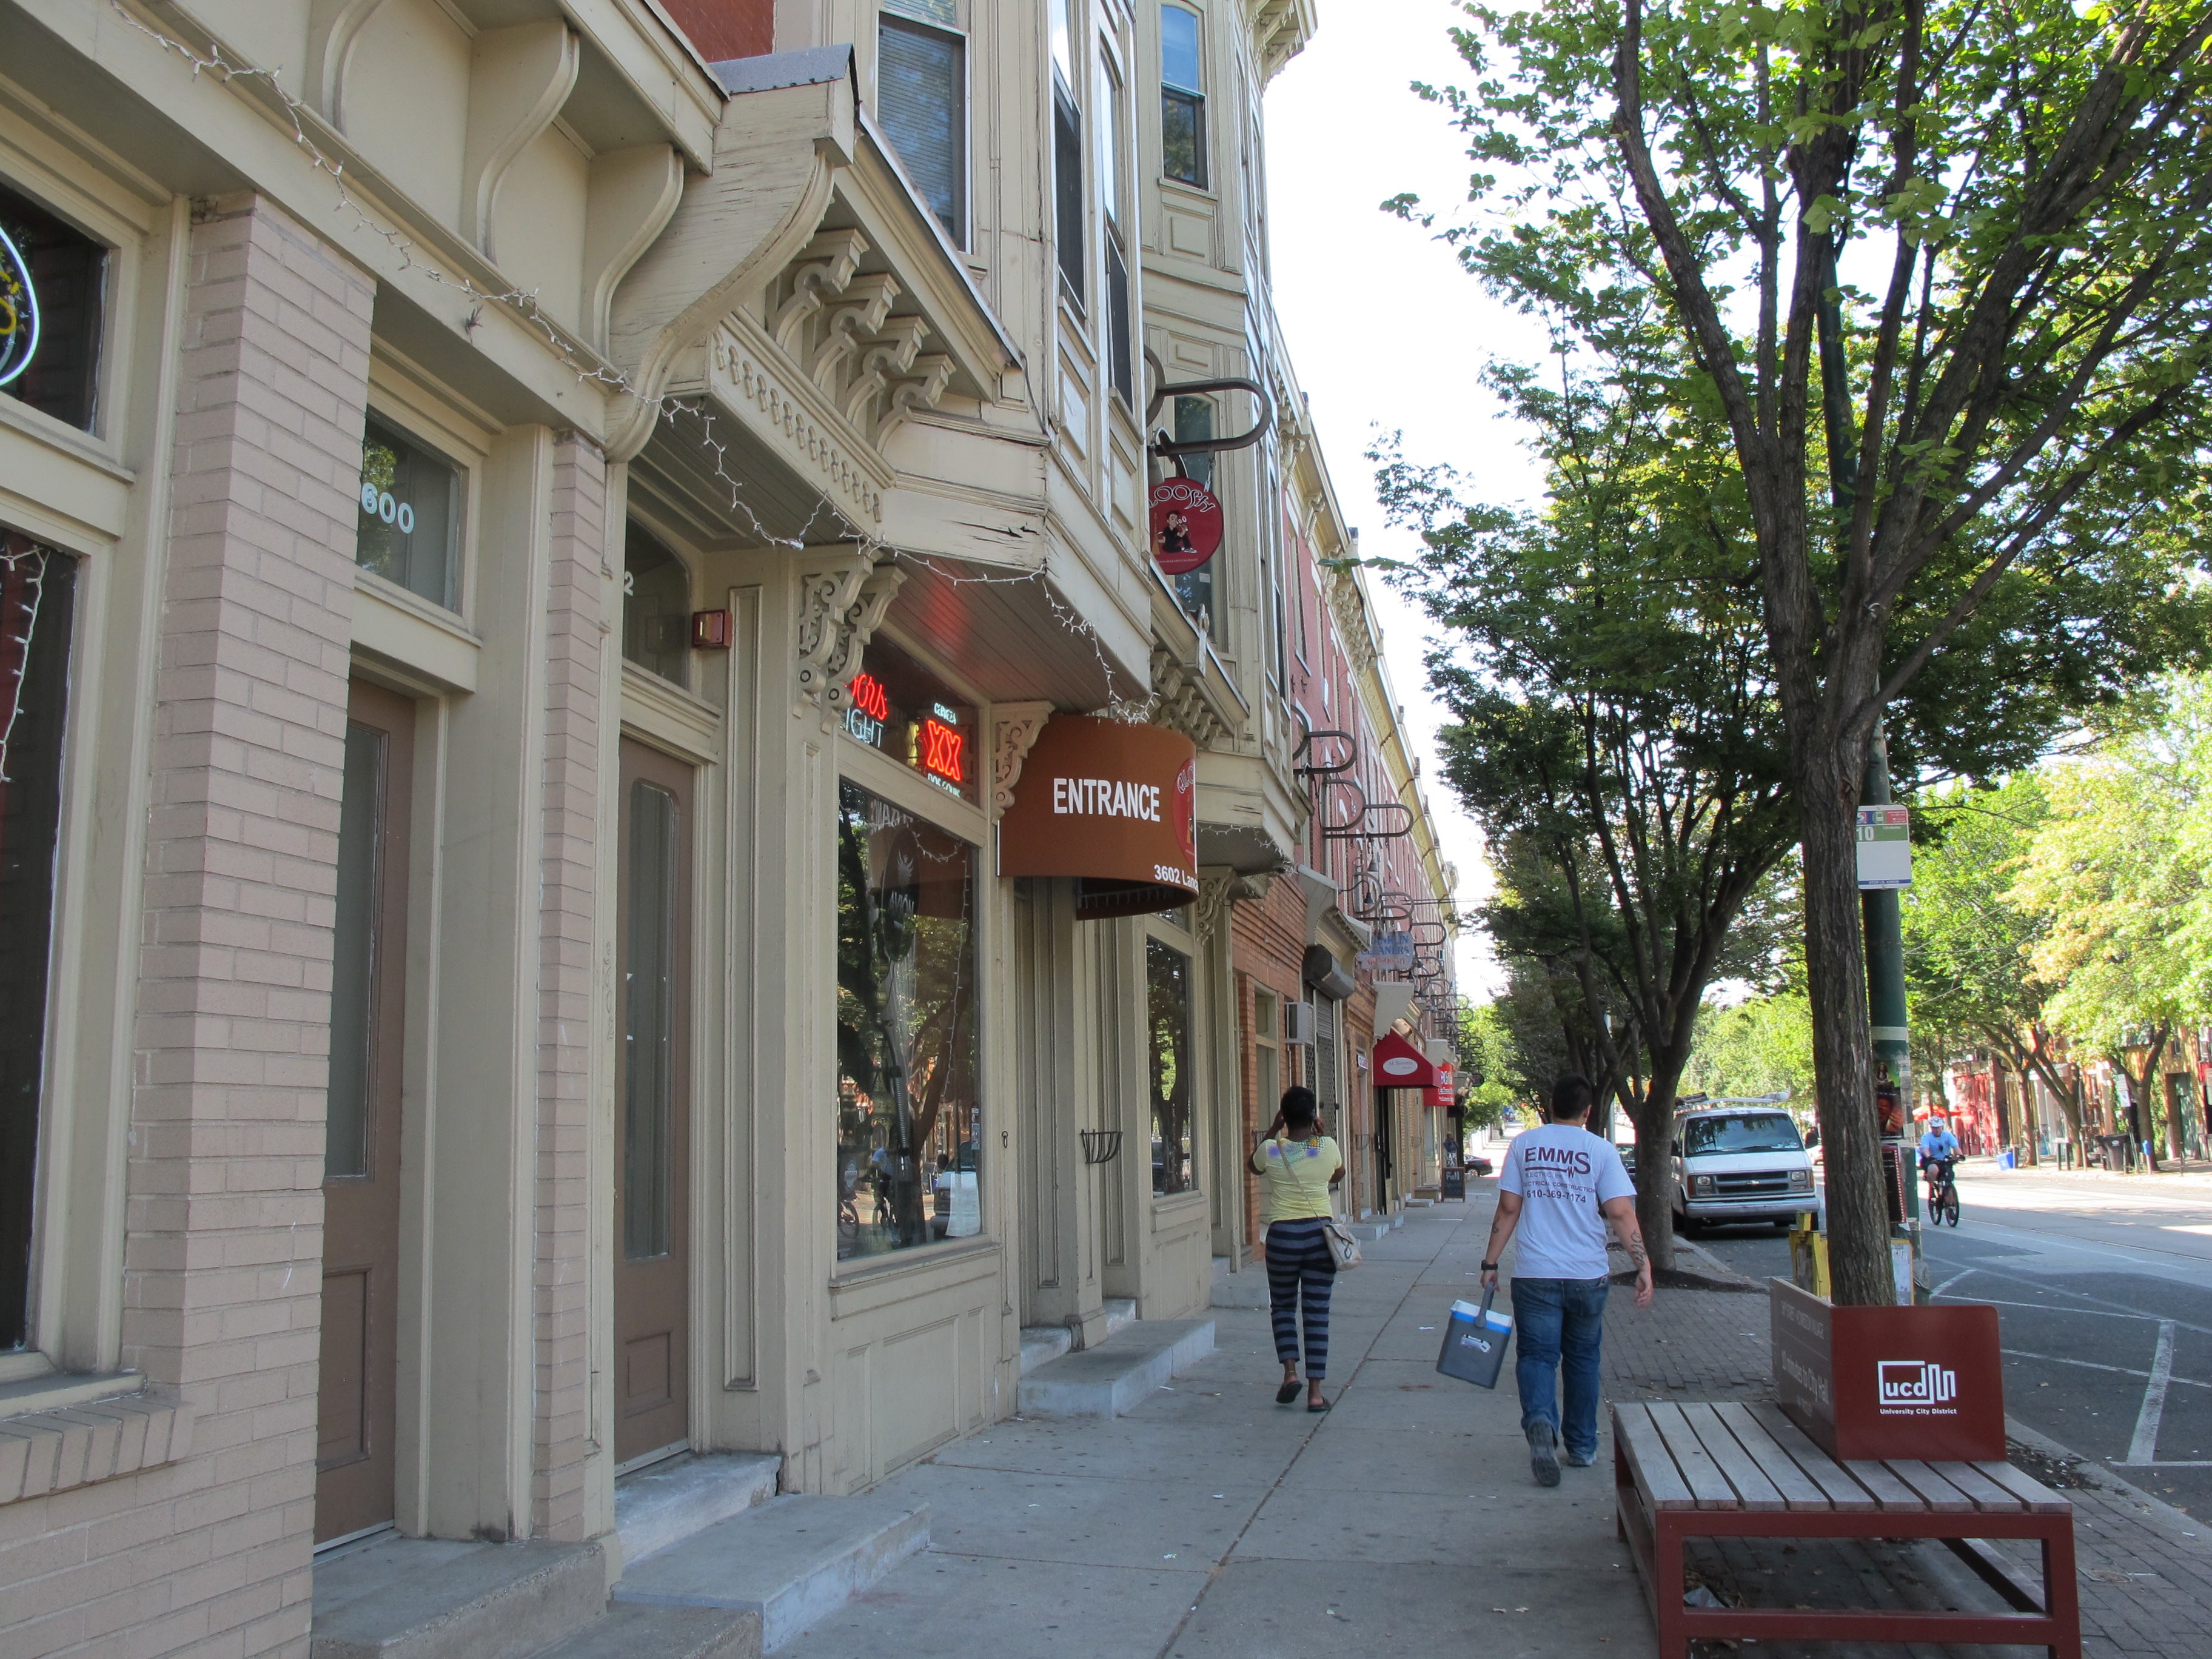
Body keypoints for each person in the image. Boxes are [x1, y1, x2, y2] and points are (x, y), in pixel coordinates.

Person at [1481, 1074, 1654, 1487]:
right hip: (1586, 1274)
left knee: (1538, 1356)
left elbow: (1508, 1210)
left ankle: (1540, 1421)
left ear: (1549, 1105)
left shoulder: (1524, 1145)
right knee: (1583, 1359)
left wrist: (1490, 1263)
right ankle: (1581, 1445)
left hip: (1536, 1273)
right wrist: (1643, 1263)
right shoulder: (1601, 1150)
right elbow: (1621, 1214)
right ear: (1588, 1111)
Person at [1252, 1087, 1344, 1413]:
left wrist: (1274, 1130)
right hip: (1320, 1236)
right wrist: (1321, 1136)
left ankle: (1290, 1373)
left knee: (1283, 1307)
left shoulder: (1272, 1150)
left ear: (1284, 1117)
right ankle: (1316, 1393)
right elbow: (1339, 1173)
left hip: (1283, 1236)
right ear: (1313, 1118)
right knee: (1317, 1313)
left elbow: (1253, 1166)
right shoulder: (1326, 1147)